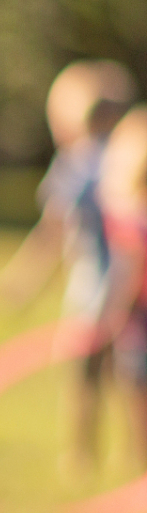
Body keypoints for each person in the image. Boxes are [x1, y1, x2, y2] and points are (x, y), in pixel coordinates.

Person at [0, 59, 137, 472]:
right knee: (131, 376)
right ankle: (133, 455)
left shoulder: (76, 166)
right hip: (134, 288)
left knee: (86, 376)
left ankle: (81, 455)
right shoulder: (131, 156)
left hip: (94, 289)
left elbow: (53, 234)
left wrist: (22, 285)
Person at [97, 106, 147, 468]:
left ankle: (140, 457)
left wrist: (111, 316)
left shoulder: (130, 222)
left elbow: (126, 276)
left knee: (136, 386)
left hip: (139, 317)